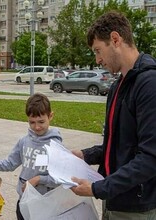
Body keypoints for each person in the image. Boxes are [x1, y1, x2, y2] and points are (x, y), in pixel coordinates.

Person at [71, 11, 156, 219]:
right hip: (113, 199)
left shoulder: (149, 84)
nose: (98, 59)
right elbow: (117, 144)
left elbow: (150, 158)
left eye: (98, 50)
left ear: (115, 39)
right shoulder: (118, 85)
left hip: (137, 207)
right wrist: (84, 155)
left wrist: (98, 188)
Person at [0, 93, 62, 220]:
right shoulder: (24, 141)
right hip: (24, 201)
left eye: (41, 121)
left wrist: (39, 179)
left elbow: (59, 179)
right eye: (32, 122)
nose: (37, 127)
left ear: (50, 116)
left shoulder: (56, 145)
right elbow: (9, 163)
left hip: (45, 203)